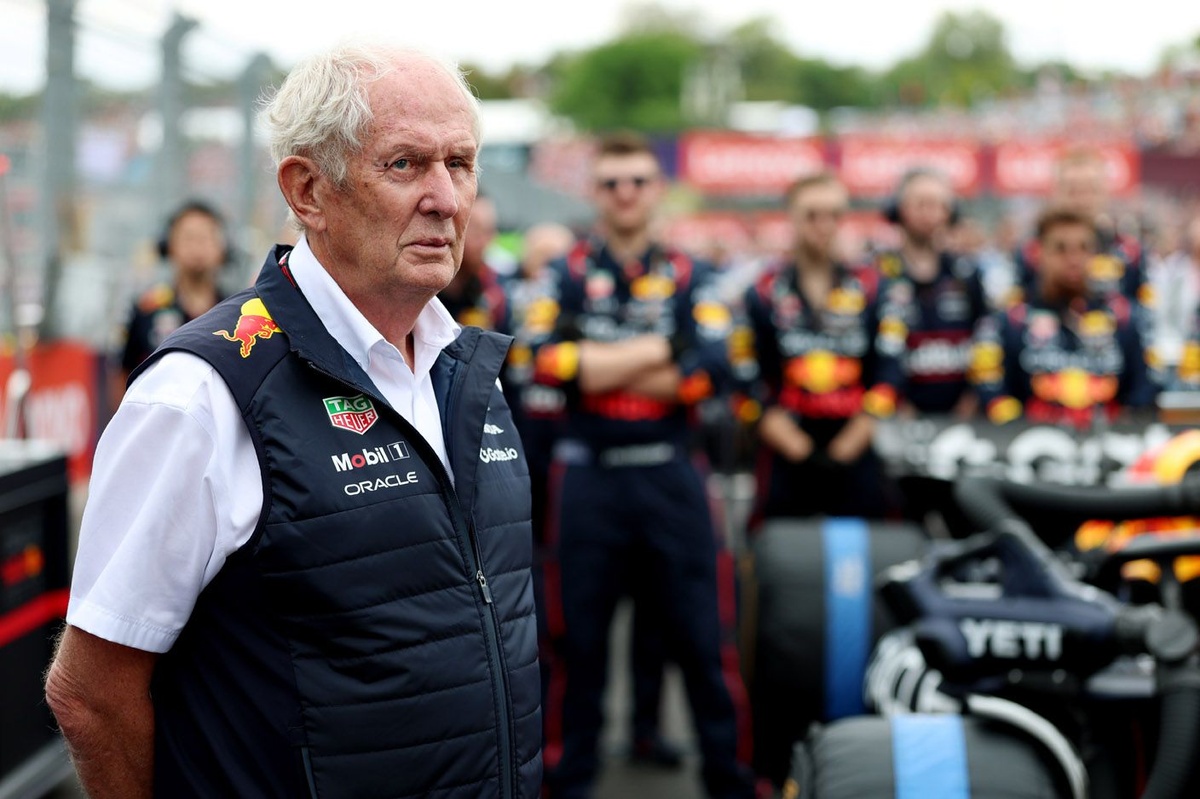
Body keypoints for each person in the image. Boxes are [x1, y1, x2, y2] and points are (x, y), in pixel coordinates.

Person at [43, 43, 542, 798]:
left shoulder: (468, 370)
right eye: (405, 164)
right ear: (308, 191)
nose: (446, 198)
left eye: (460, 163)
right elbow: (90, 695)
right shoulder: (200, 394)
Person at [534, 131, 754, 798]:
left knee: (703, 640)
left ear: (657, 190)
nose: (625, 193)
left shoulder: (694, 273)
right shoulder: (564, 272)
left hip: (670, 474)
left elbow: (711, 371)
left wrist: (598, 365)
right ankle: (568, 781)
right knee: (577, 645)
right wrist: (662, 347)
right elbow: (546, 363)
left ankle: (729, 781)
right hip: (589, 478)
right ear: (594, 192)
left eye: (637, 181)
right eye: (611, 182)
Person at [742, 171, 901, 524]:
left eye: (834, 215)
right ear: (792, 218)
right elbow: (745, 374)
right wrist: (789, 440)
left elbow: (890, 368)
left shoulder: (873, 288)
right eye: (812, 215)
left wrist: (856, 437)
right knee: (778, 545)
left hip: (856, 441)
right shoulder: (763, 291)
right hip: (785, 444)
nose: (824, 225)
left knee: (866, 544)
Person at [969, 206, 1157, 430]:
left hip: (1108, 442)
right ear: (1038, 253)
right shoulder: (1011, 321)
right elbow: (991, 389)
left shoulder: (1124, 318)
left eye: (1083, 248)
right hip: (1032, 443)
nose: (1073, 259)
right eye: (1060, 249)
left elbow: (1145, 388)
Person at [873, 168, 986, 418]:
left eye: (937, 205)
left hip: (962, 417)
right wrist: (895, 402)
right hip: (895, 418)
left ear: (950, 213)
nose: (929, 214)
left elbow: (986, 338)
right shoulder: (878, 273)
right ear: (898, 210)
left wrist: (973, 397)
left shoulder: (967, 273)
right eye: (921, 204)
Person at [111, 199, 230, 409]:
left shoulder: (236, 313)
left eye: (205, 238)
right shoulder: (146, 309)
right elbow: (123, 374)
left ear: (223, 249)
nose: (197, 247)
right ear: (169, 246)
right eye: (189, 238)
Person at [438, 193, 510, 332]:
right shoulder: (419, 296)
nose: (488, 241)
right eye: (478, 231)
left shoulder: (493, 293)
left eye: (491, 231)